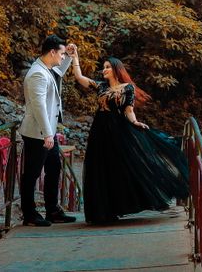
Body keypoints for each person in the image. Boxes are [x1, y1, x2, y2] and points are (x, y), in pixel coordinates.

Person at [69, 49, 189, 224]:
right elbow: (80, 78)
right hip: (99, 130)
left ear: (117, 69)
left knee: (119, 167)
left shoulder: (127, 88)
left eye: (108, 67)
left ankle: (118, 206)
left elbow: (129, 111)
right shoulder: (101, 87)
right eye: (104, 67)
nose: (104, 70)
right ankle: (102, 212)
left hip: (117, 130)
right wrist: (75, 57)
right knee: (99, 167)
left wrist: (135, 122)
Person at [19, 34, 78, 226]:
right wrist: (47, 134)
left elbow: (59, 72)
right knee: (32, 174)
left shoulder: (45, 68)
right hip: (38, 133)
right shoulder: (37, 73)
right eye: (61, 54)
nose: (62, 57)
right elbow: (39, 106)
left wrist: (69, 56)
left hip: (46, 132)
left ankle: (52, 210)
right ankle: (29, 215)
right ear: (52, 52)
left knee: (54, 168)